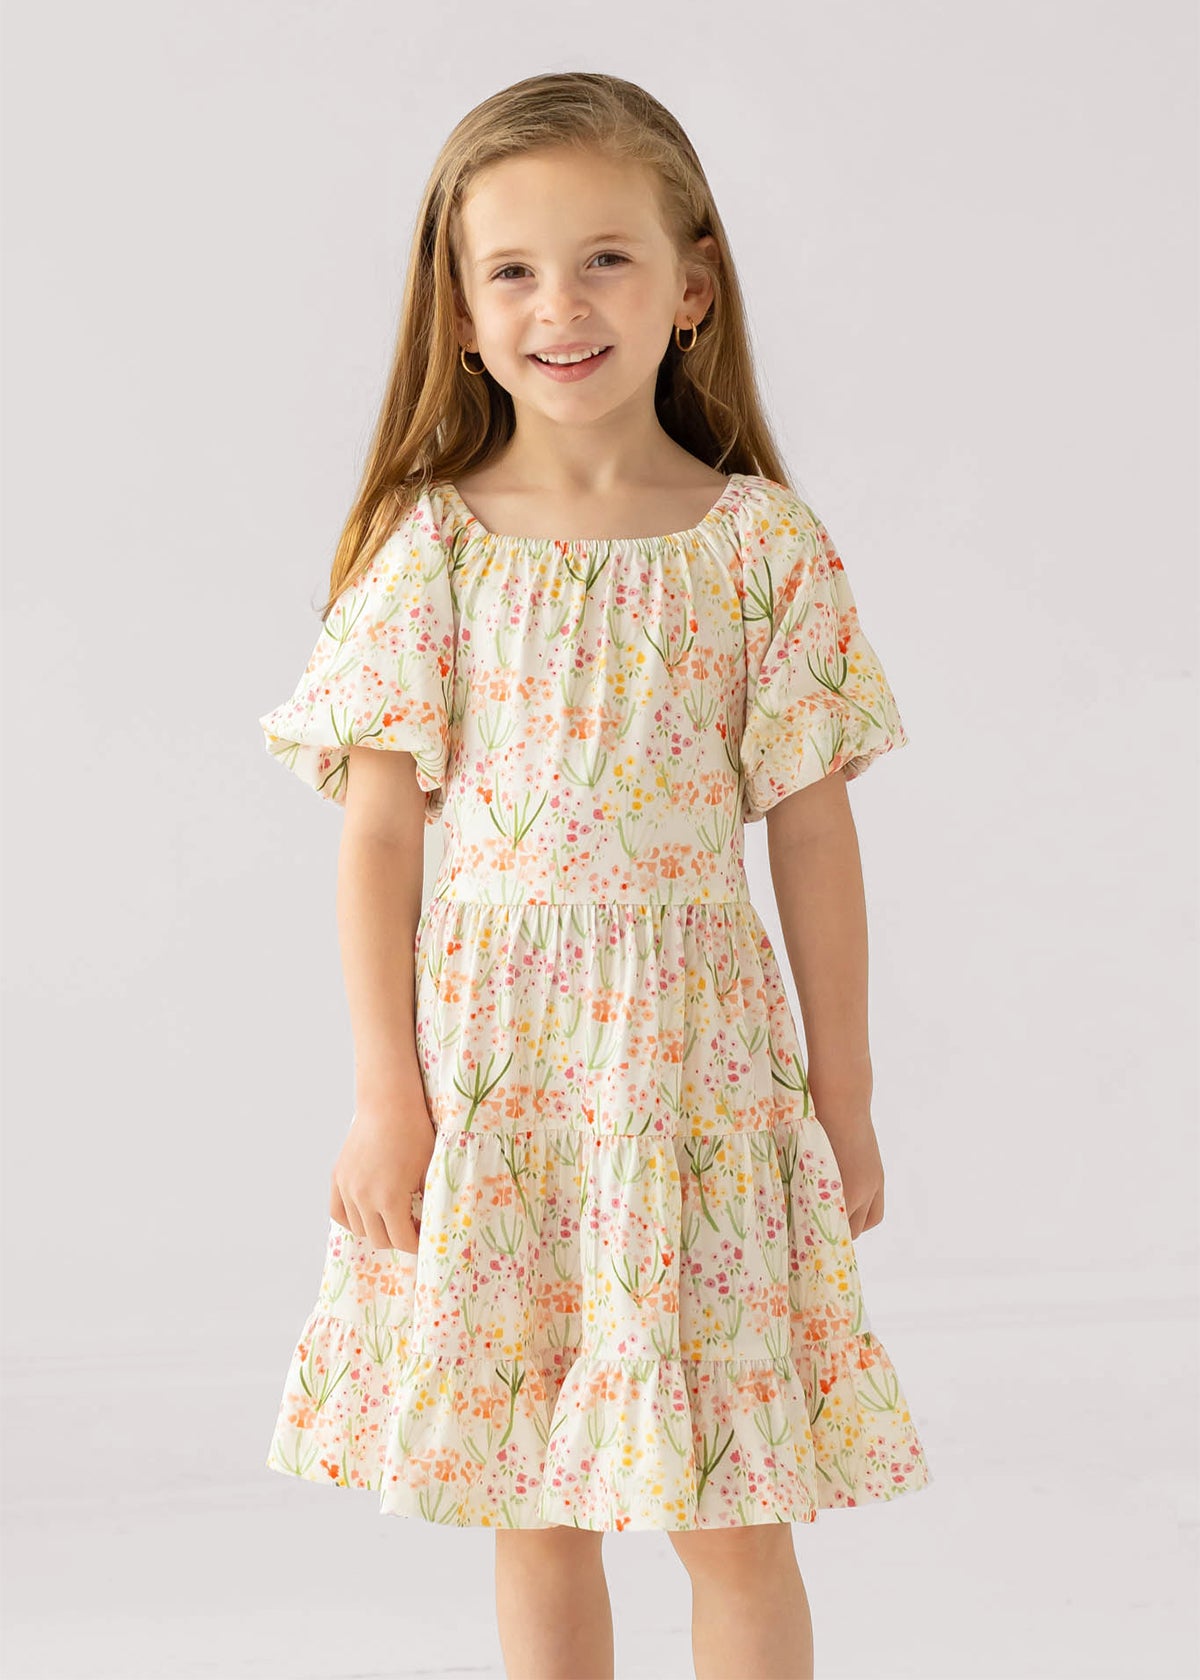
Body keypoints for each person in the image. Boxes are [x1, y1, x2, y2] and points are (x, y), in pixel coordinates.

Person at [259, 69, 932, 1680]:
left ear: (691, 285)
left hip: (700, 1080)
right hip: (506, 1085)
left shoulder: (763, 548)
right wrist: (386, 1095)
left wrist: (842, 1093)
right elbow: (377, 838)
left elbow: (813, 835)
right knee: (534, 1502)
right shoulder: (431, 547)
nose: (559, 306)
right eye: (513, 270)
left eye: (605, 260)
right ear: (462, 309)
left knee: (736, 1505)